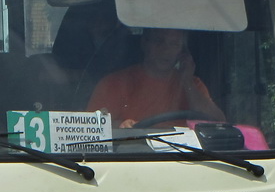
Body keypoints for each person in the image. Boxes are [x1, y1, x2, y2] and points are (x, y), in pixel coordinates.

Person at [86, 28, 225, 128]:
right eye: (159, 41)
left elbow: (218, 124)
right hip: (130, 160)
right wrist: (120, 126)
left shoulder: (193, 85)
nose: (166, 49)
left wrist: (187, 81)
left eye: (174, 44)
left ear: (182, 52)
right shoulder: (113, 84)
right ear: (144, 43)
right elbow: (92, 129)